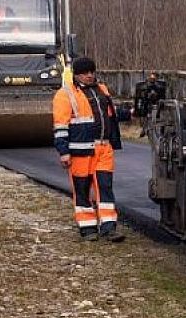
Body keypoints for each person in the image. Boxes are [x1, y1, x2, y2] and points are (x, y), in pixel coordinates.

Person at [53, 57, 131, 242]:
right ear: (76, 74)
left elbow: (110, 114)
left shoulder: (102, 90)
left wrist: (129, 113)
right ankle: (88, 228)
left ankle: (109, 227)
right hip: (80, 152)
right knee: (82, 189)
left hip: (104, 148)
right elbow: (60, 126)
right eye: (85, 72)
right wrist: (63, 152)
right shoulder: (65, 95)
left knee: (105, 187)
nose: (89, 75)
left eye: (91, 72)